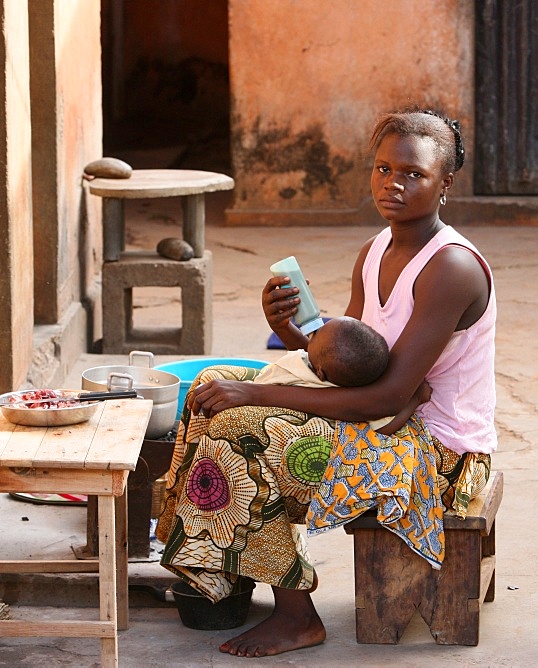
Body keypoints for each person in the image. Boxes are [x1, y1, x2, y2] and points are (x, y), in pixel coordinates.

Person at [156, 107, 497, 658]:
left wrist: (258, 393)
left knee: (245, 431)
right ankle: (217, 568)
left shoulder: (451, 267)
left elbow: (384, 396)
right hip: (386, 413)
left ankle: (296, 616)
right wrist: (289, 330)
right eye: (384, 169)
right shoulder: (376, 250)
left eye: (415, 174)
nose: (394, 185)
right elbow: (346, 360)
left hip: (434, 448)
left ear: (445, 184)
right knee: (210, 388)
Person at [253, 315, 416, 433]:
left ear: (320, 372)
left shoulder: (293, 366)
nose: (313, 334)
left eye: (316, 337)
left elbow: (259, 383)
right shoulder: (357, 397)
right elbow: (387, 426)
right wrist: (416, 398)